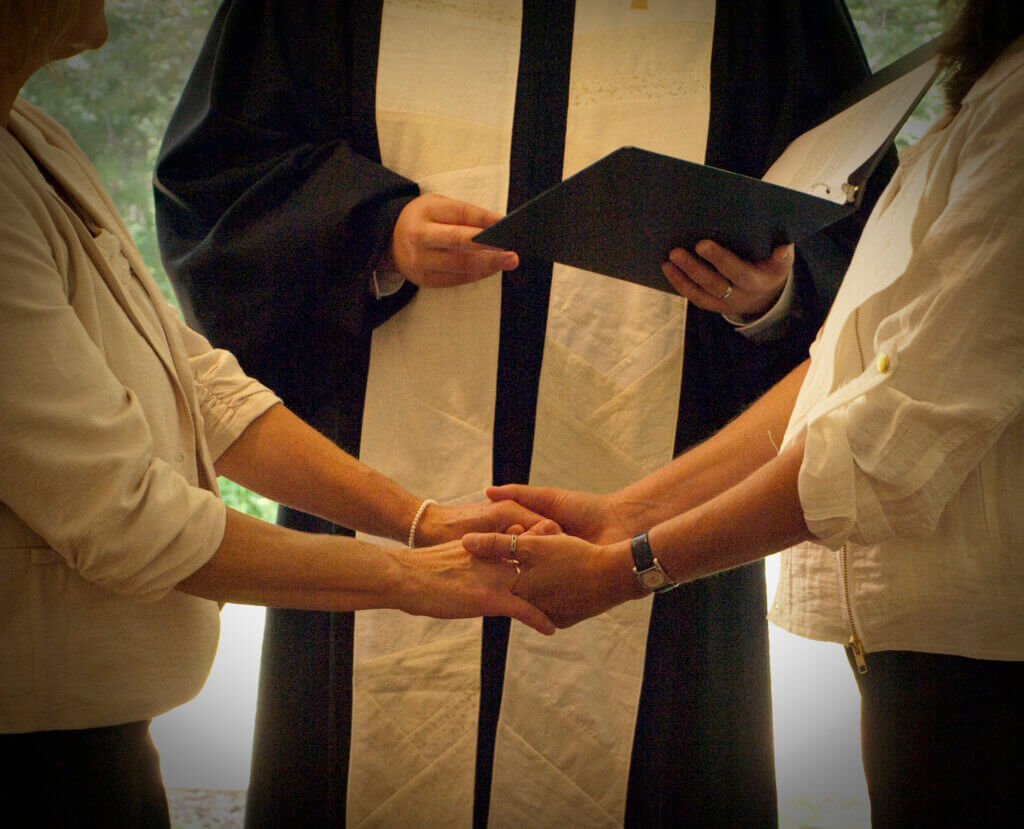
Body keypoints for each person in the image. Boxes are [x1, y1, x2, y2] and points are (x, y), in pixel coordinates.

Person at [154, 1, 893, 824]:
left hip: (664, 516)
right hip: (382, 483)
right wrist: (377, 231)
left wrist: (774, 294)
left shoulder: (765, 20)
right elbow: (211, 193)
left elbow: (866, 249)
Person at [468, 1, 1024, 824]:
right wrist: (623, 514)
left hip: (991, 661)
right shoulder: (993, 89)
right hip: (927, 652)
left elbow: (887, 436)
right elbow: (845, 375)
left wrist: (628, 567)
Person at [0, 2, 555, 825]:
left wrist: (421, 520)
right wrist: (411, 577)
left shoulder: (32, 138)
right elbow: (123, 517)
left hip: (92, 736)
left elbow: (200, 385)